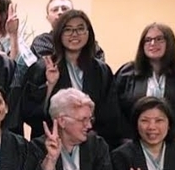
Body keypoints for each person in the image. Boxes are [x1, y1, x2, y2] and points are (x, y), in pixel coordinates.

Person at [19, 9, 122, 145]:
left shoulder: (101, 71)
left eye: (80, 29)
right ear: (59, 34)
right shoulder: (43, 67)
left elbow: (110, 114)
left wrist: (87, 132)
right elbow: (30, 113)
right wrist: (50, 86)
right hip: (51, 142)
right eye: (68, 30)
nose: (74, 34)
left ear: (88, 33)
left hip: (90, 143)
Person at [115, 23, 175, 148]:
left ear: (170, 43)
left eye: (159, 39)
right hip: (132, 148)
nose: (153, 43)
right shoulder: (125, 75)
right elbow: (114, 111)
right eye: (148, 40)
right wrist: (129, 144)